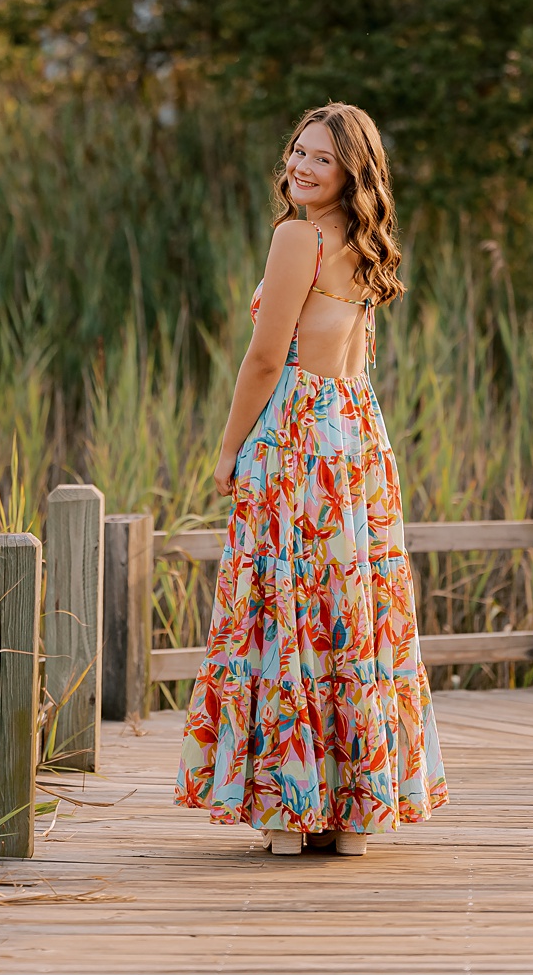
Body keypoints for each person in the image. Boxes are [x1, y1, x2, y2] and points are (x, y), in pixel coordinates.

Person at [176, 103, 446, 856]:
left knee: (284, 606)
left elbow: (266, 359)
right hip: (355, 433)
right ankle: (354, 816)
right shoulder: (364, 244)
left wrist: (229, 449)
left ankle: (288, 817)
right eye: (297, 151)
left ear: (349, 172)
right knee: (349, 609)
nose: (299, 166)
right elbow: (351, 358)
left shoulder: (297, 237)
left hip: (295, 433)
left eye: (319, 158)